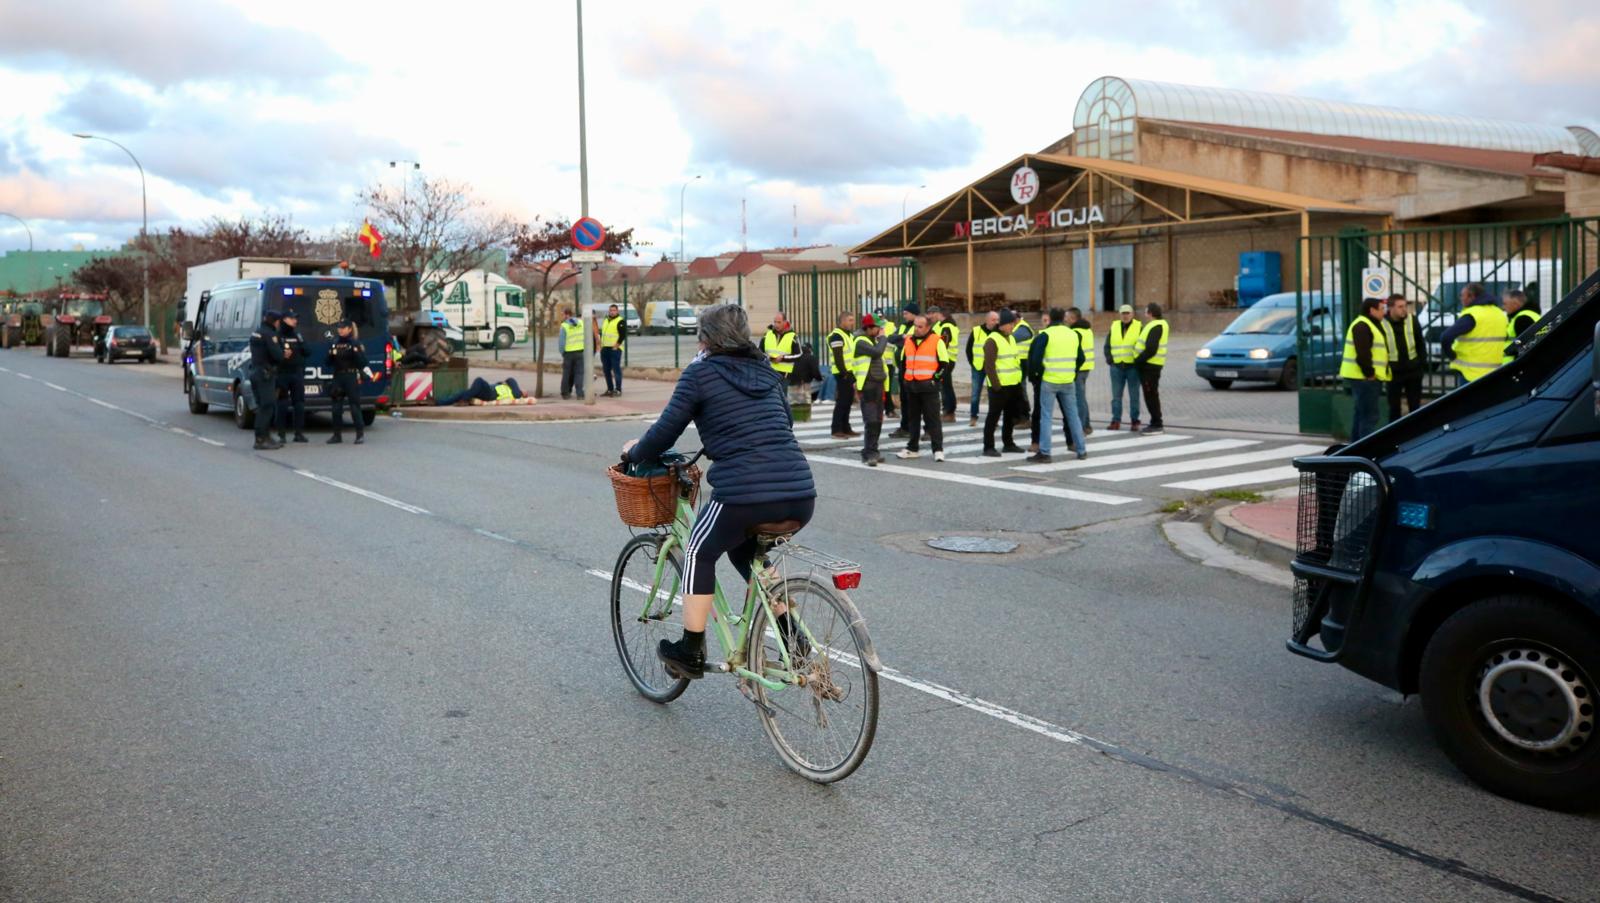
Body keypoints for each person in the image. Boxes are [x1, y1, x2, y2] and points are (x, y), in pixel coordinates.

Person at [620, 304, 816, 679]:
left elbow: (665, 431)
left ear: (705, 338)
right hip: (800, 494)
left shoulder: (700, 374)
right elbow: (783, 424)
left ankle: (690, 650)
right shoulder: (768, 372)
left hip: (744, 495)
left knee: (697, 550)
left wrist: (634, 452)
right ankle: (794, 637)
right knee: (748, 556)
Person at [1027, 307, 1088, 463]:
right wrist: (1072, 372)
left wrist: (1038, 375)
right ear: (1063, 318)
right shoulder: (1073, 334)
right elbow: (1081, 358)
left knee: (1046, 416)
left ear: (1050, 318)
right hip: (1068, 381)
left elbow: (1035, 360)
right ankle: (1081, 450)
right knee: (1073, 415)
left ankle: (1045, 452)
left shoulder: (1045, 335)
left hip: (1050, 380)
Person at [895, 315, 948, 461]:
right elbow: (903, 362)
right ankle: (913, 448)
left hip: (928, 387)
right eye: (915, 326)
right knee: (913, 420)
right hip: (912, 386)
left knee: (933, 420)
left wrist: (935, 380)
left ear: (928, 327)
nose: (916, 329)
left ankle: (938, 450)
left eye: (920, 326)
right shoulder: (909, 341)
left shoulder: (937, 341)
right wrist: (905, 380)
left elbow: (944, 364)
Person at [1340, 296, 1391, 442]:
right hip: (1364, 378)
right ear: (1371, 310)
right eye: (1381, 309)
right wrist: (1370, 374)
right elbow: (1362, 354)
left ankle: (1355, 447)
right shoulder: (1363, 326)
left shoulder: (1369, 324)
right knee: (1369, 416)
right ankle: (1365, 449)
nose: (1384, 312)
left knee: (1361, 414)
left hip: (1364, 377)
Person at [1439, 282, 1507, 386]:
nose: (1461, 298)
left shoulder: (1473, 314)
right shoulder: (1499, 313)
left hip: (1471, 374)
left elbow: (1445, 337)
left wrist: (1452, 355)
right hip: (1495, 372)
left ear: (1471, 296)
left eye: (1462, 295)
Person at [981, 310, 1028, 456]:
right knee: (993, 417)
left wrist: (1018, 382)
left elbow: (1014, 360)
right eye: (1011, 324)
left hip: (1013, 384)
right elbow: (989, 366)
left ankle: (1008, 443)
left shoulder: (1011, 338)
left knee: (1010, 416)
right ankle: (988, 447)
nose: (1013, 326)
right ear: (1003, 325)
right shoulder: (992, 340)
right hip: (999, 387)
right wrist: (996, 386)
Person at [853, 314, 891, 466]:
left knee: (878, 420)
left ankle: (873, 451)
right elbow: (877, 352)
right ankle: (868, 454)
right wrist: (883, 339)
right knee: (871, 420)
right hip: (868, 385)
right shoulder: (860, 341)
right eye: (877, 327)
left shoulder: (871, 340)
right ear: (868, 328)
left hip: (878, 385)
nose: (880, 330)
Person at [326, 320, 372, 445]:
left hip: (351, 376)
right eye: (339, 328)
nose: (340, 330)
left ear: (349, 329)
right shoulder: (334, 343)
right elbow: (327, 362)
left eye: (343, 328)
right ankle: (337, 435)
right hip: (338, 376)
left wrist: (355, 351)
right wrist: (330, 354)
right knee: (336, 408)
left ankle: (359, 434)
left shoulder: (355, 343)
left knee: (354, 406)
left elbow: (363, 362)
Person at [1385, 293, 1427, 423]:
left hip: (1413, 371)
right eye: (1400, 306)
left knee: (1415, 407)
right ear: (1390, 308)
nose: (1404, 309)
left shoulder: (1412, 320)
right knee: (1394, 408)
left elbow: (1420, 343)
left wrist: (1421, 366)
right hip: (1393, 373)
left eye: (1405, 306)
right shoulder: (1383, 323)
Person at [247, 311, 285, 451]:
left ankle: (266, 436)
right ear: (275, 321)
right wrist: (283, 353)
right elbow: (278, 355)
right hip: (265, 374)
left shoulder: (256, 332)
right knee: (267, 406)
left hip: (255, 371)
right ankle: (261, 439)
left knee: (262, 406)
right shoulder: (270, 335)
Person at [274, 308, 309, 444]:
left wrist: (301, 345)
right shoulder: (277, 336)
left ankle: (298, 433)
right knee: (282, 404)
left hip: (296, 372)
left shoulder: (297, 335)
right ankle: (281, 434)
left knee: (299, 403)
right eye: (292, 318)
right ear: (284, 320)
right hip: (282, 373)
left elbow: (307, 351)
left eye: (296, 318)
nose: (295, 320)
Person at [1105, 304, 1142, 430]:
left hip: (1133, 367)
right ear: (1120, 315)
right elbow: (1107, 345)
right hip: (1117, 367)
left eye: (1128, 313)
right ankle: (1115, 421)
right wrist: (1110, 360)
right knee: (1116, 396)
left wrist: (1138, 362)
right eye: (1123, 313)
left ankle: (1135, 421)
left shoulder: (1139, 327)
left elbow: (1143, 346)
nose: (1125, 316)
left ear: (1132, 314)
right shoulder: (1114, 326)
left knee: (1134, 395)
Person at [1134, 303, 1169, 435]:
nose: (1144, 313)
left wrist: (1138, 360)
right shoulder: (1158, 325)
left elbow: (1151, 349)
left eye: (1146, 311)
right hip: (1151, 365)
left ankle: (1157, 424)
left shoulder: (1156, 326)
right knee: (1151, 394)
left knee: (1151, 395)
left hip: (1150, 366)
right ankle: (1155, 422)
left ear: (1150, 313)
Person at [889, 304, 920, 439]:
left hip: (913, 368)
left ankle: (913, 428)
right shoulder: (903, 326)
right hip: (902, 367)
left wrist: (902, 339)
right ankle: (905, 426)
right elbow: (891, 338)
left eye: (906, 313)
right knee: (904, 399)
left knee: (913, 399)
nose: (904, 315)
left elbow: (912, 342)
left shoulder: (918, 326)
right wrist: (902, 337)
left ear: (914, 314)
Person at [827, 312, 859, 438]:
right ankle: (836, 429)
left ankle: (846, 427)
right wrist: (844, 373)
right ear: (842, 321)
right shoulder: (836, 336)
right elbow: (838, 356)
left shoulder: (849, 335)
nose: (852, 322)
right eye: (850, 320)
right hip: (842, 373)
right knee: (842, 401)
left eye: (853, 320)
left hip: (850, 373)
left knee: (848, 401)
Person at [1067, 308, 1095, 438]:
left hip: (1078, 368)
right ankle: (1087, 425)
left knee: (1079, 398)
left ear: (1073, 318)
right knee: (1082, 397)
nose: (1065, 319)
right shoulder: (1087, 329)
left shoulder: (1075, 332)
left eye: (1067, 317)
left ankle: (1082, 427)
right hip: (1087, 367)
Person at [966, 309, 998, 426]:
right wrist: (973, 363)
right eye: (993, 319)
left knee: (993, 394)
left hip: (993, 368)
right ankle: (973, 416)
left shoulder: (998, 332)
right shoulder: (976, 331)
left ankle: (993, 419)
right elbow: (968, 349)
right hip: (978, 367)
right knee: (975, 393)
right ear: (987, 320)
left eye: (997, 319)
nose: (996, 322)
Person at [928, 306, 960, 421]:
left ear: (940, 315)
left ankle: (949, 411)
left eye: (934, 313)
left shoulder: (947, 326)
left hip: (947, 359)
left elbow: (943, 344)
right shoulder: (941, 325)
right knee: (944, 386)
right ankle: (947, 411)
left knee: (946, 386)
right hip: (944, 359)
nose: (932, 316)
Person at [1502, 289, 1541, 364]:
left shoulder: (1522, 319)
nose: (1503, 307)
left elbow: (1524, 346)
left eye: (1505, 303)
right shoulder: (1531, 314)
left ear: (1515, 304)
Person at [596, 303, 626, 397]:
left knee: (616, 369)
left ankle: (618, 390)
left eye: (614, 310)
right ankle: (610, 389)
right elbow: (602, 333)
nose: (612, 312)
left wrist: (616, 346)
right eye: (611, 310)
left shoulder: (620, 321)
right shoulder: (606, 320)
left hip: (615, 349)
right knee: (606, 370)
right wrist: (600, 345)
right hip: (605, 349)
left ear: (617, 311)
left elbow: (622, 335)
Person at [435, 376, 526, 406]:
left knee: (479, 380)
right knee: (462, 393)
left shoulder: (516, 393)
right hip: (488, 391)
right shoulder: (510, 387)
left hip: (490, 393)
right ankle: (438, 402)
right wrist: (502, 383)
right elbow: (507, 381)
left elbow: (511, 379)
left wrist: (521, 392)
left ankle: (465, 399)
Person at [558, 307, 585, 399]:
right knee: (579, 374)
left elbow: (561, 343)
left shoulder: (564, 326)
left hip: (568, 353)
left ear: (567, 315)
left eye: (563, 314)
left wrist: (563, 353)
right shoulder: (581, 323)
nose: (562, 316)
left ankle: (565, 393)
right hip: (580, 351)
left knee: (566, 374)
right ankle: (580, 394)